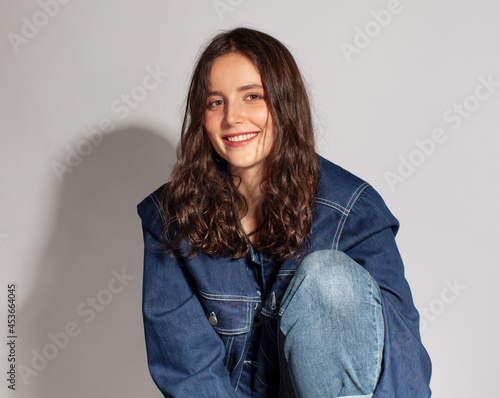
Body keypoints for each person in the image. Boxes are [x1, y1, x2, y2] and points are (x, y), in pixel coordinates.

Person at [137, 27, 432, 397]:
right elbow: (187, 372)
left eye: (252, 96)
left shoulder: (352, 210)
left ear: (283, 103)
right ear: (201, 118)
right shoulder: (172, 220)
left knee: (330, 279)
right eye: (216, 102)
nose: (233, 118)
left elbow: (404, 363)